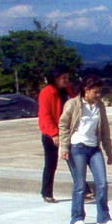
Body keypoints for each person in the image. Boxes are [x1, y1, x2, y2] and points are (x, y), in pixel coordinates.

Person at [59, 75, 112, 224]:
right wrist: (64, 147)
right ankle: (77, 217)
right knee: (79, 185)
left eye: (100, 92)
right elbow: (63, 125)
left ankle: (103, 217)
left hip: (94, 148)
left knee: (102, 183)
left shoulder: (100, 106)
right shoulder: (73, 104)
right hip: (77, 147)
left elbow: (104, 129)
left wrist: (109, 151)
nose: (98, 95)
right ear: (86, 90)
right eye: (95, 92)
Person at [37, 69, 72, 203]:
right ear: (55, 78)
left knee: (74, 160)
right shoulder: (47, 92)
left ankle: (84, 189)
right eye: (63, 77)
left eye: (67, 77)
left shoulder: (67, 90)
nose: (66, 80)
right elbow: (45, 115)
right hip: (51, 133)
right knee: (51, 164)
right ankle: (46, 192)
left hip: (66, 130)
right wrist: (54, 134)